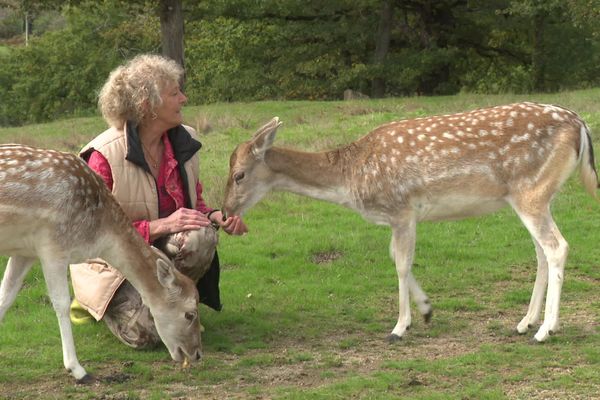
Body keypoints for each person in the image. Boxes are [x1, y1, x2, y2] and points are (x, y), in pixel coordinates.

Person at [69, 53, 247, 349]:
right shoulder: (103, 155)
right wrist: (160, 226)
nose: (184, 99)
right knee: (148, 336)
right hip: (112, 265)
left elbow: (195, 204)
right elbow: (89, 234)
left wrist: (216, 217)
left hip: (157, 256)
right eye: (175, 93)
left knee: (201, 236)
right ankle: (97, 304)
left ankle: (174, 305)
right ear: (147, 105)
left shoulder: (184, 141)